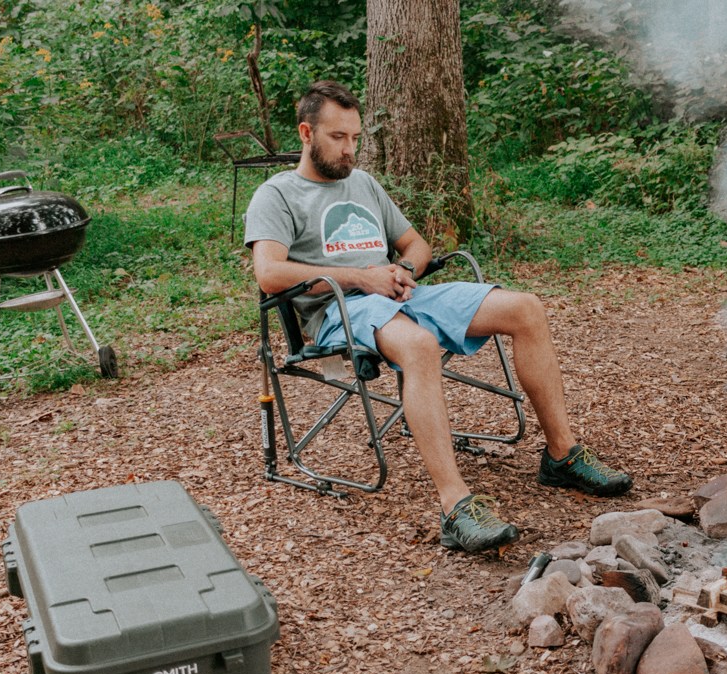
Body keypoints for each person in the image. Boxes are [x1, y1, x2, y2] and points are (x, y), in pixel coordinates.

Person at [245, 80, 632, 553]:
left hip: (400, 295)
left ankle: (562, 456)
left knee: (525, 308)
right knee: (419, 345)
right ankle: (455, 506)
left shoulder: (363, 184)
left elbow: (416, 244)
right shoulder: (277, 194)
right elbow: (269, 273)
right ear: (306, 133)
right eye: (337, 137)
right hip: (339, 309)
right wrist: (363, 277)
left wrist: (405, 270)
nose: (349, 150)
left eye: (355, 138)